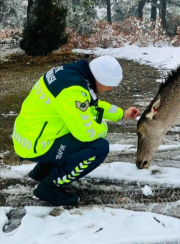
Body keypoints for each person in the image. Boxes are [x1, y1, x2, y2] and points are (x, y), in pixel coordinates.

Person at [12, 56, 139, 206]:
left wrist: (121, 114)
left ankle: (42, 172)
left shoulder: (73, 74)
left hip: (30, 135)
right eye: (109, 84)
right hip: (37, 144)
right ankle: (50, 187)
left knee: (73, 128)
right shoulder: (73, 91)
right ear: (100, 78)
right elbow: (86, 133)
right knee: (98, 147)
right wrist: (103, 127)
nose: (110, 88)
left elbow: (91, 104)